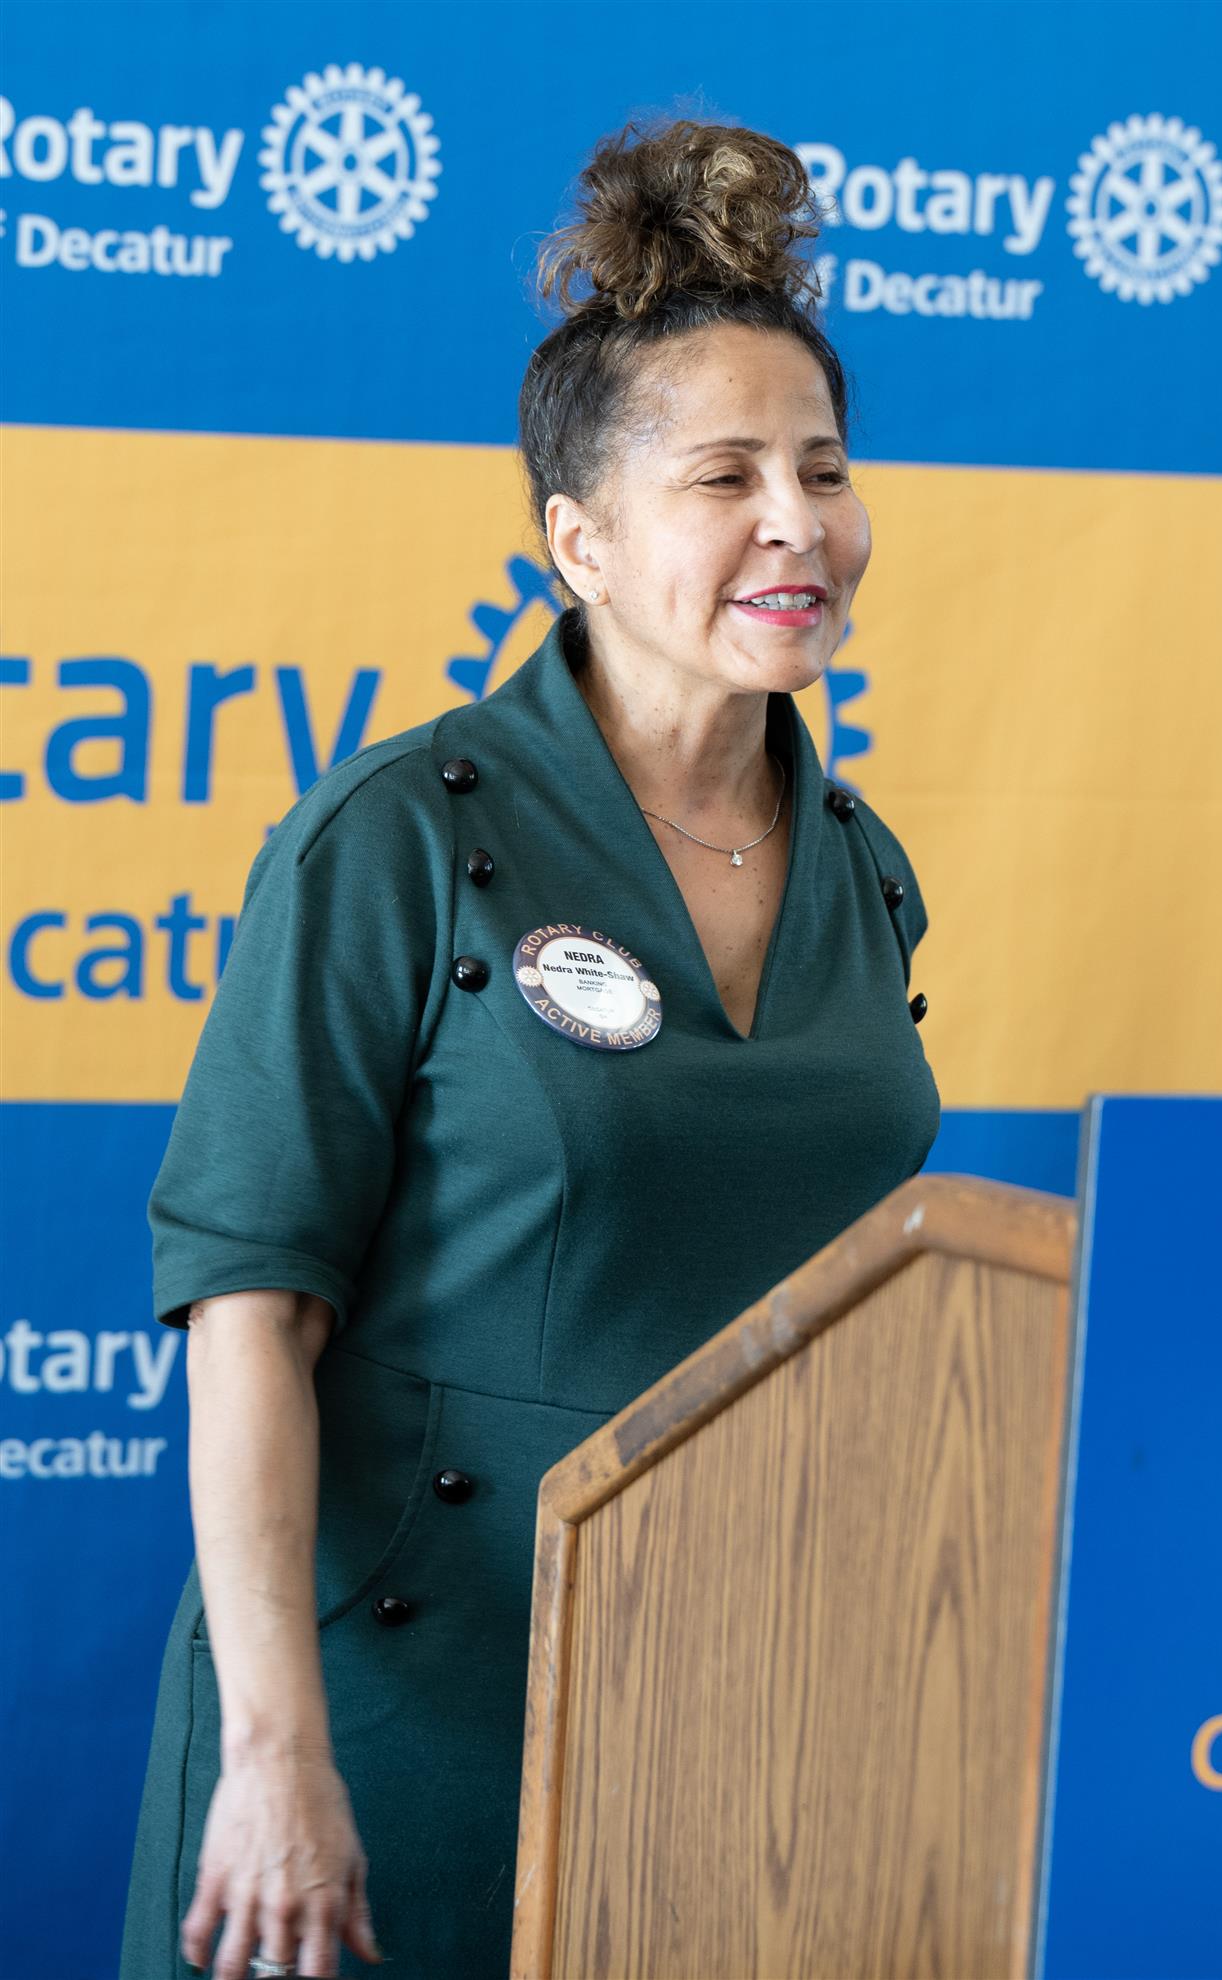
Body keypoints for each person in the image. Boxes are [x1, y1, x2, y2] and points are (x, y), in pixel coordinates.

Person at [118, 113, 941, 1980]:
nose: (798, 522)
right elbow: (250, 1311)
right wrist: (275, 1755)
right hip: (390, 1721)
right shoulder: (398, 837)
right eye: (724, 476)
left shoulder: (864, 865)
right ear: (579, 541)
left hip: (732, 1723)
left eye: (823, 469)